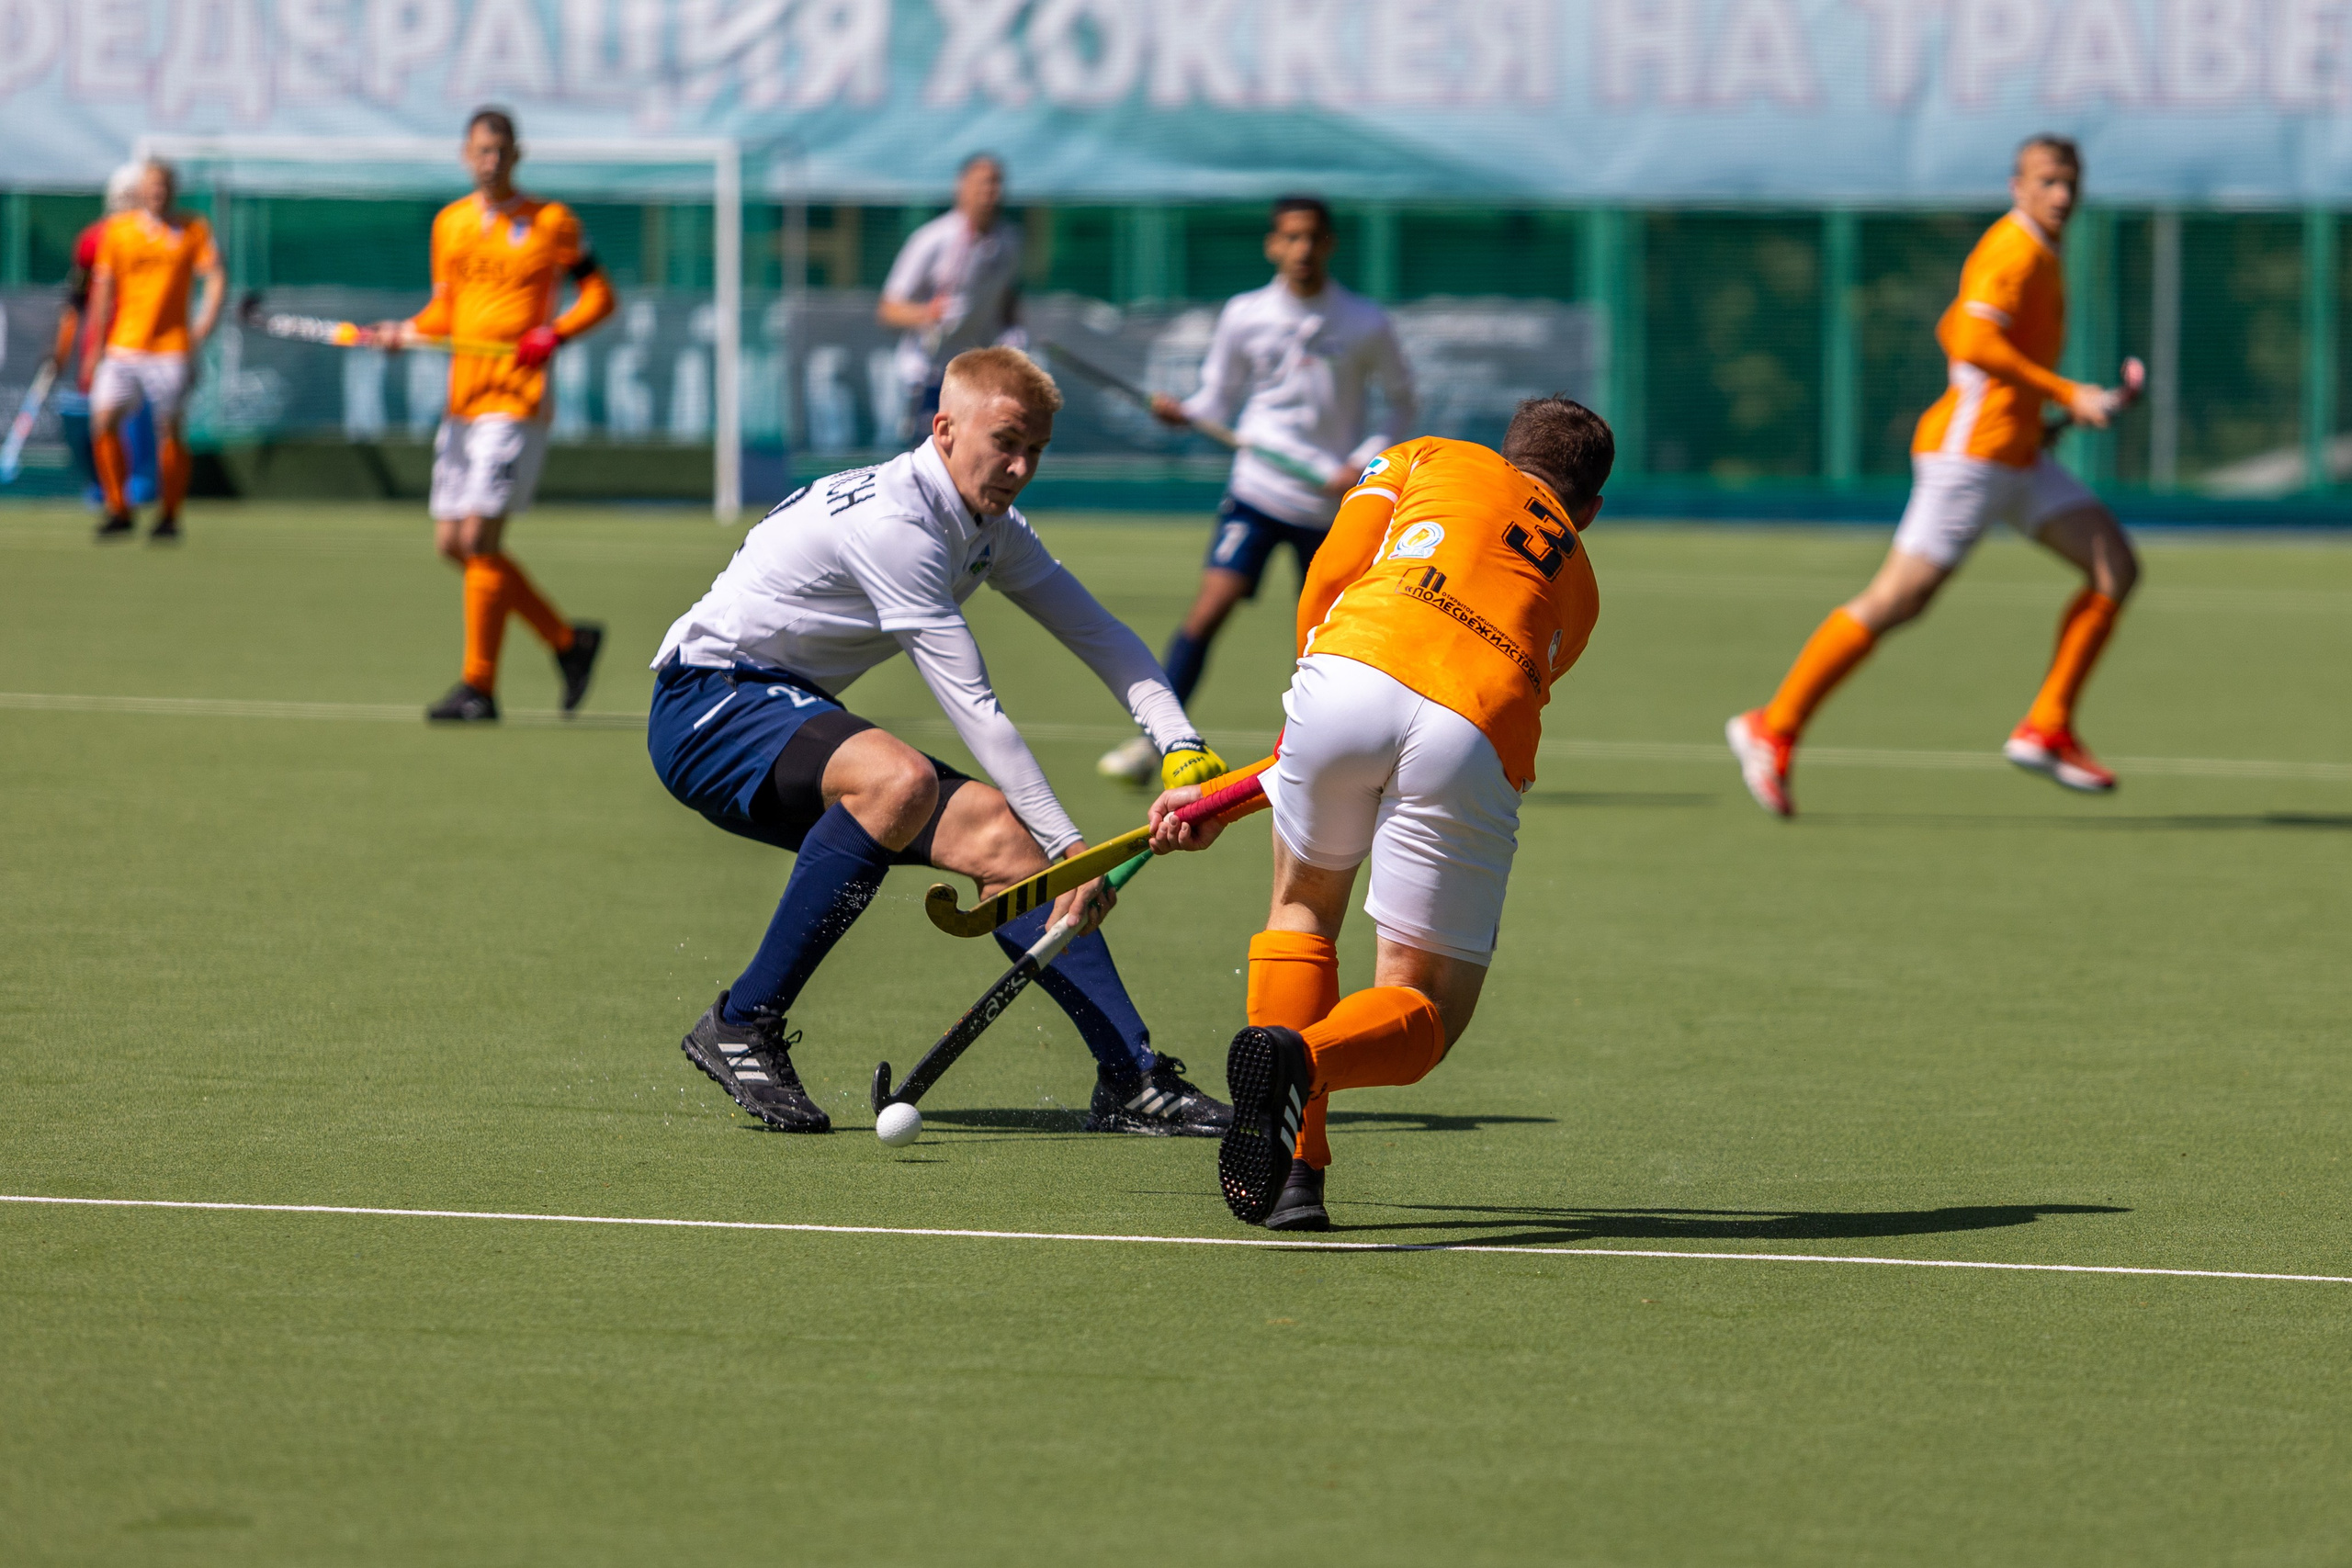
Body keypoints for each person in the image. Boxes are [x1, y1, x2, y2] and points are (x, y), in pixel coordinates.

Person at [649, 347, 1234, 1137]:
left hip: (788, 704)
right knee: (899, 779)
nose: (1021, 466)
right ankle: (743, 1022)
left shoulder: (990, 525)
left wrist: (1179, 743)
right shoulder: (897, 525)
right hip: (707, 704)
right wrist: (1074, 850)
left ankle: (1132, 1077)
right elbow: (974, 702)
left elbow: (1101, 634)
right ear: (945, 427)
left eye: (1037, 450)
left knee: (1002, 836)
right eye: (1006, 441)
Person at [1148, 398, 1612, 1230]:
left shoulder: (1428, 454)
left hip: (1346, 672)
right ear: (1592, 509)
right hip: (1475, 725)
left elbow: (1332, 575)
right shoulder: (1580, 588)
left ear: (1508, 451)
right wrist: (1260, 785)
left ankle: (1297, 1175)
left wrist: (1287, 751)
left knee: (1301, 909)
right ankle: (1303, 1059)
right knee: (1425, 1006)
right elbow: (1439, 707)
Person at [1725, 136, 2139, 816]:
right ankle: (1773, 725)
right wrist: (2067, 395)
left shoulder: (2040, 250)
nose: (2062, 195)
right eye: (2048, 181)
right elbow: (1967, 338)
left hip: (2016, 453)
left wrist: (2041, 417)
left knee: (2114, 568)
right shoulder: (2014, 249)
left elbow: (1966, 328)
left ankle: (2048, 726)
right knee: (1897, 600)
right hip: (1969, 457)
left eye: (2071, 182)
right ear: (2018, 186)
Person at [1096, 195, 1416, 784]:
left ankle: (1337, 756)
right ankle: (1160, 742)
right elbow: (1217, 399)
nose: (1302, 250)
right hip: (1258, 492)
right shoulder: (1245, 314)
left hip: (1332, 504)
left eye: (1313, 238)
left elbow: (1401, 403)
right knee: (1210, 608)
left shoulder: (1365, 321)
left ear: (1331, 244)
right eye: (1290, 238)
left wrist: (1359, 462)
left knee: (1329, 638)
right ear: (1273, 245)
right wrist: (1186, 412)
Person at [368, 107, 616, 724]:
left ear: (516, 155)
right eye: (481, 150)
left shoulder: (552, 222)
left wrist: (553, 334)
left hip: (515, 398)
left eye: (501, 151)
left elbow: (601, 296)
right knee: (453, 543)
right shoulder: (449, 224)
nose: (491, 161)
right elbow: (442, 314)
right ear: (465, 155)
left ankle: (479, 686)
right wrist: (401, 332)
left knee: (479, 538)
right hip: (463, 402)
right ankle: (567, 641)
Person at [81, 160, 222, 543]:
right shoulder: (119, 232)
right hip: (123, 345)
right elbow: (104, 291)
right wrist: (95, 346)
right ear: (141, 192)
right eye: (150, 187)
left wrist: (201, 330)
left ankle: (170, 515)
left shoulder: (193, 229)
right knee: (103, 419)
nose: (156, 193)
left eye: (163, 187)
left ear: (172, 191)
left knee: (169, 429)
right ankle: (119, 509)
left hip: (171, 347)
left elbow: (215, 278)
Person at [876, 153, 1024, 441]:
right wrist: (929, 314)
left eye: (996, 184)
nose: (989, 193)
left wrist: (1014, 335)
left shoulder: (1009, 240)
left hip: (976, 379)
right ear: (962, 187)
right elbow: (888, 308)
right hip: (927, 376)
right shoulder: (932, 239)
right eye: (982, 184)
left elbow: (1006, 296)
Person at [53, 164, 159, 518]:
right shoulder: (94, 238)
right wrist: (63, 346)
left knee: (140, 411)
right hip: (103, 342)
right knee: (101, 412)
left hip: (144, 340)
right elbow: (77, 298)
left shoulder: (154, 236)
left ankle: (140, 482)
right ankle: (105, 485)